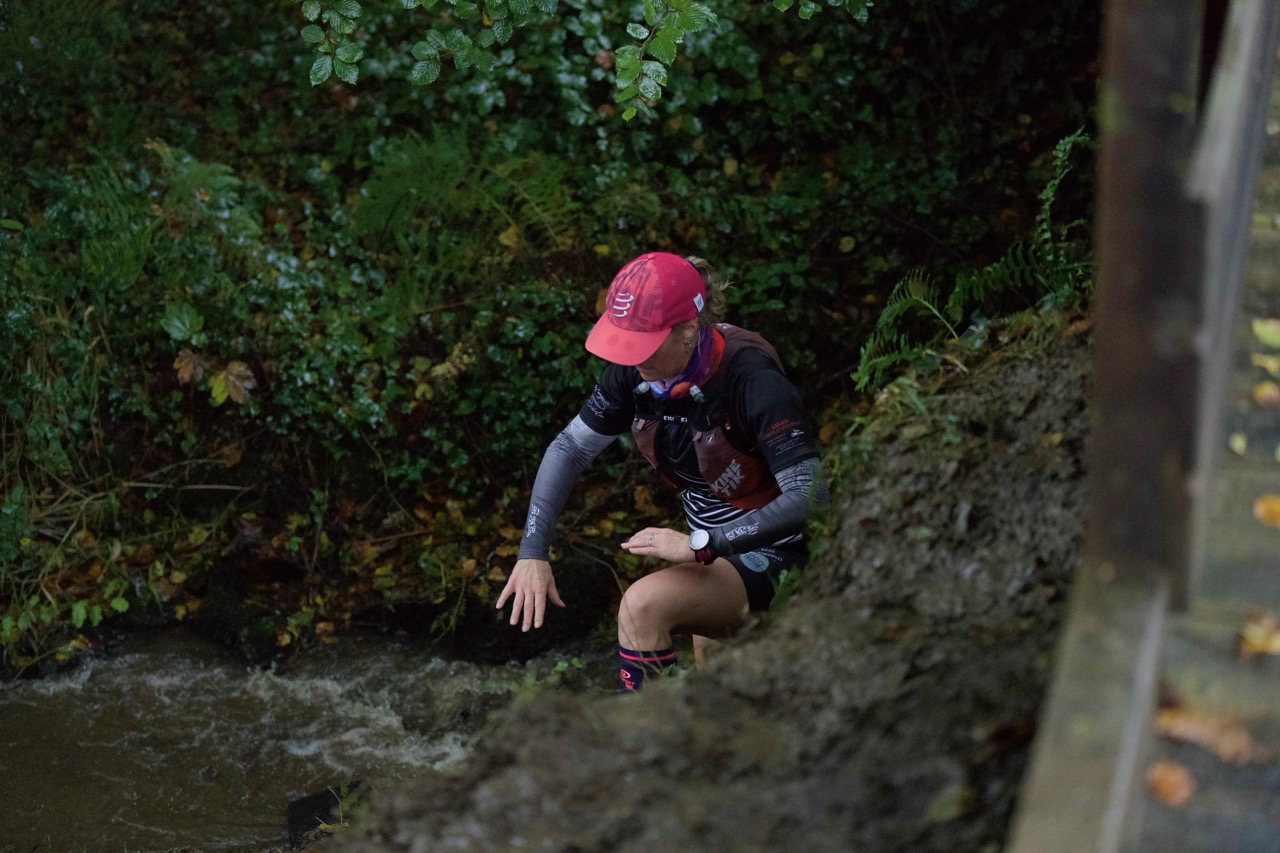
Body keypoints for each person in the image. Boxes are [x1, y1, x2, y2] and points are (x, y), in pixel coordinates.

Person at [495, 251, 829, 691]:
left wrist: (702, 544)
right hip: (718, 563)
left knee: (643, 606)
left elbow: (811, 497)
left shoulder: (752, 380)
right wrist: (532, 551)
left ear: (689, 328)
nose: (633, 359)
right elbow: (569, 449)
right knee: (724, 697)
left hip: (783, 555)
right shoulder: (637, 373)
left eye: (645, 344)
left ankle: (642, 733)